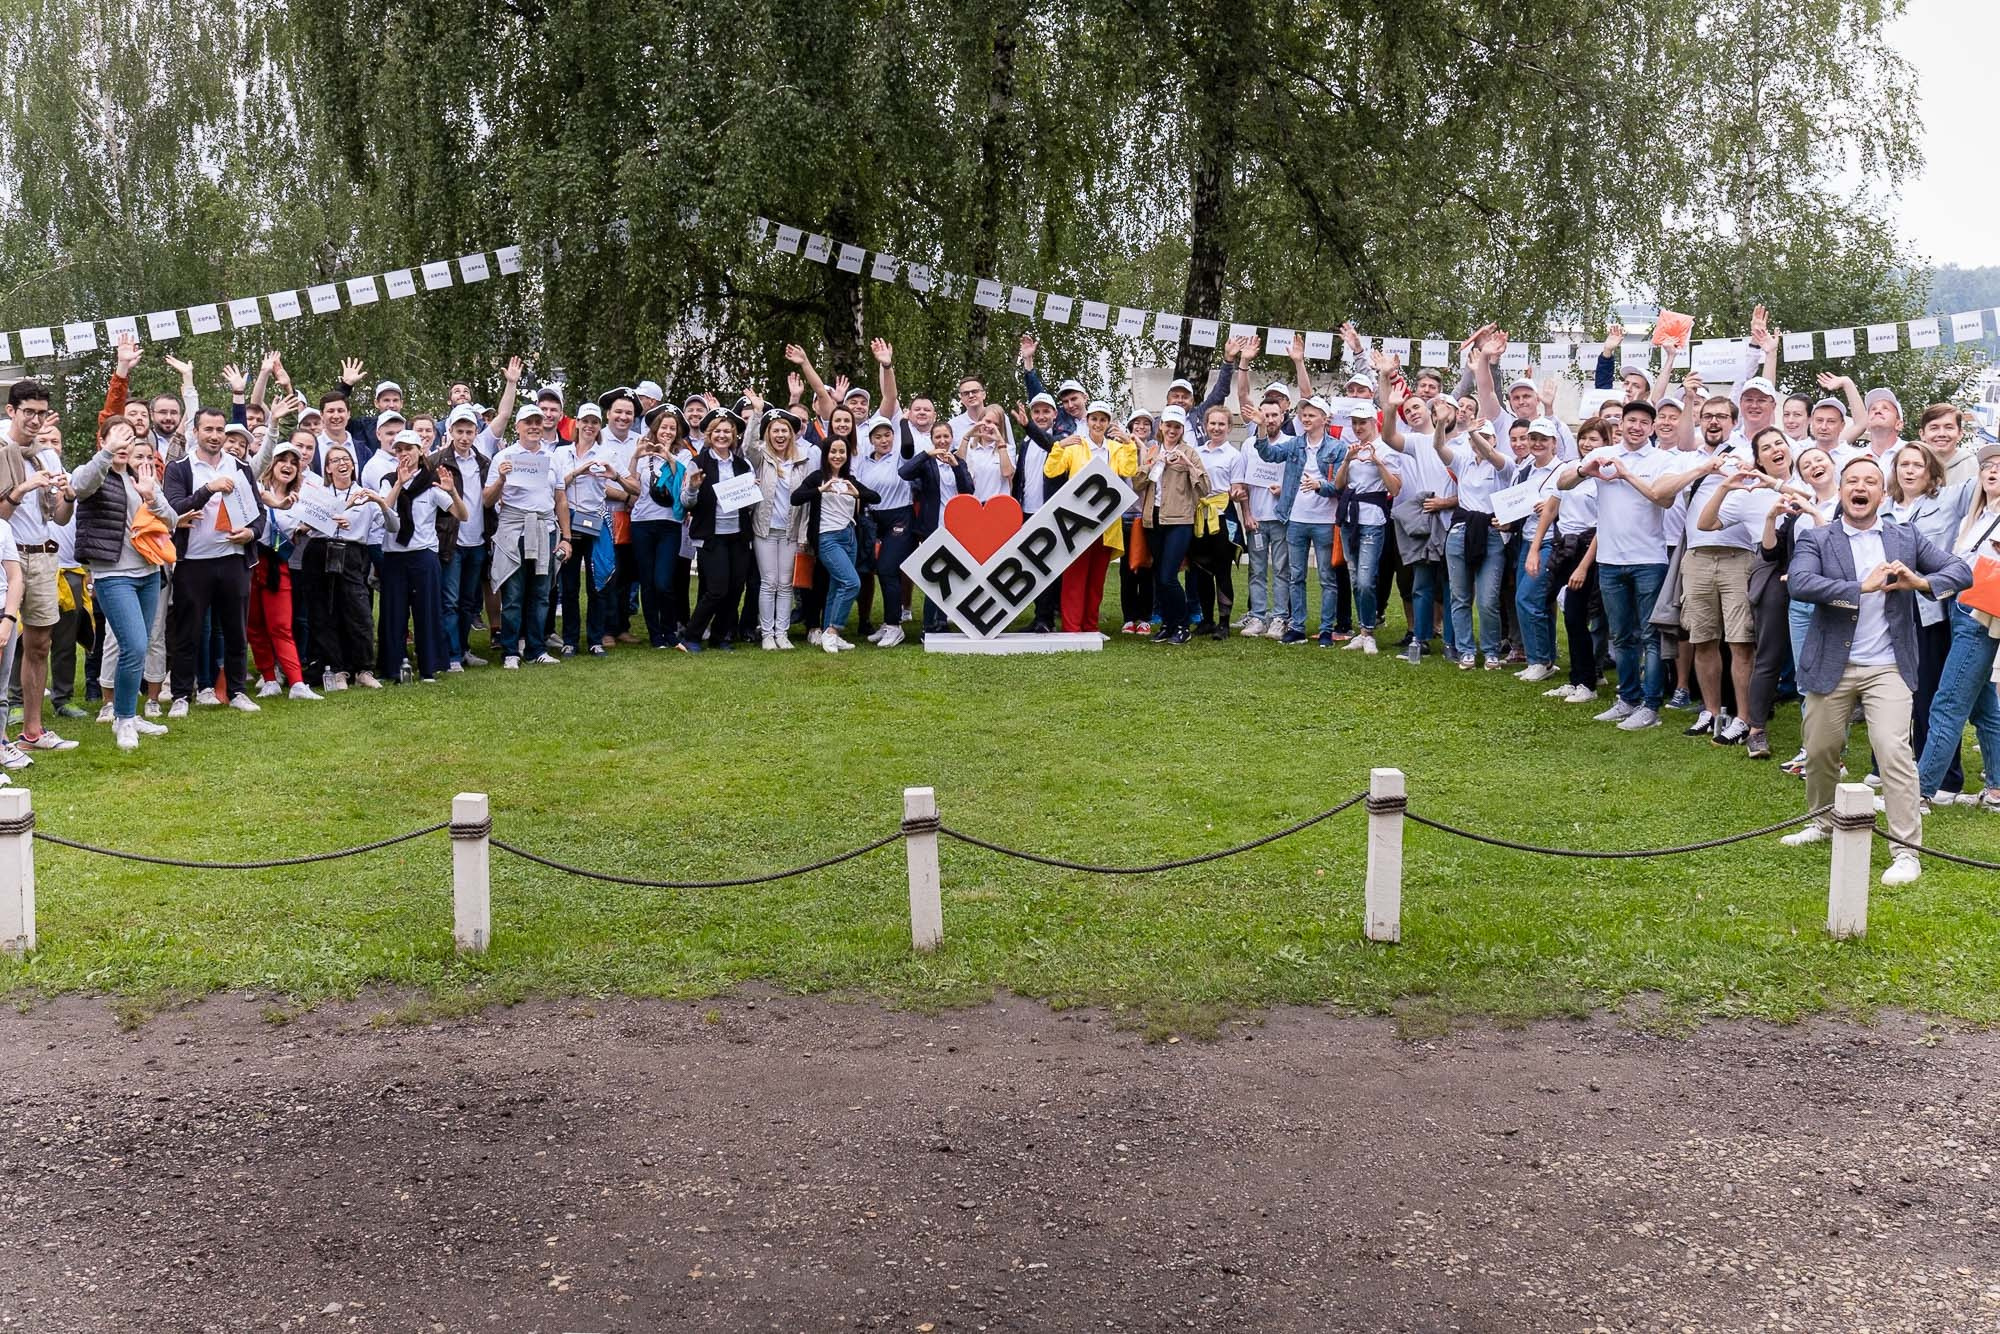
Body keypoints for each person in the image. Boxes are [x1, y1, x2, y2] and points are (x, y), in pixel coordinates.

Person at [1781, 455, 1970, 887]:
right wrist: (1857, 588)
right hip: (1833, 663)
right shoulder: (1817, 537)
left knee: (1893, 751)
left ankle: (1906, 851)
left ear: (1882, 495)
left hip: (1888, 665)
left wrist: (1920, 584)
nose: (1860, 488)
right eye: (1852, 481)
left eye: (1870, 481)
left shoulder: (1904, 537)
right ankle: (1823, 821)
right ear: (1843, 490)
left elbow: (1960, 571)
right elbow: (1801, 582)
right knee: (1822, 748)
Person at [1560, 399, 1676, 730]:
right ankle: (1627, 699)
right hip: (1610, 560)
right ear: (1619, 425)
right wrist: (1586, 469)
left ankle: (1650, 706)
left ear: (1652, 428)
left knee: (1650, 637)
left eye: (1644, 422)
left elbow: (1662, 497)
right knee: (1622, 636)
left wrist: (1626, 475)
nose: (1637, 426)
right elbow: (1563, 482)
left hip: (1648, 560)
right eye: (1631, 420)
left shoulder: (1660, 459)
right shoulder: (1603, 456)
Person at [1697, 428, 1804, 760]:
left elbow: (1809, 501)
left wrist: (1772, 483)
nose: (1775, 450)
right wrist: (1725, 488)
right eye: (1766, 447)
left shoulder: (1808, 478)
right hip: (1773, 567)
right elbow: (1705, 523)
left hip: (1814, 566)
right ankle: (1756, 729)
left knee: (1812, 657)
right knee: (1769, 653)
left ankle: (1816, 735)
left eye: (1779, 443)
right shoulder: (1748, 494)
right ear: (1758, 459)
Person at [70, 424, 177, 752]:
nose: (122, 444)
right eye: (115, 438)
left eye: (128, 439)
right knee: (132, 645)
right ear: (102, 441)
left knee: (140, 647)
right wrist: (105, 454)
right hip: (113, 575)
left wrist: (151, 494)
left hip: (148, 572)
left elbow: (171, 521)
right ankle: (126, 719)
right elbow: (78, 487)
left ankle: (125, 715)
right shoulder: (93, 473)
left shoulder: (140, 478)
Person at [161, 407, 265, 715]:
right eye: (209, 429)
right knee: (187, 632)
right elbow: (174, 508)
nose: (216, 436)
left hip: (233, 559)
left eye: (220, 430)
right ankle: (181, 694)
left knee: (235, 630)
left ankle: (236, 691)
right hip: (193, 561)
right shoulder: (180, 468)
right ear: (196, 432)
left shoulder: (240, 466)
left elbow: (258, 513)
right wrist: (208, 489)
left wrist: (251, 533)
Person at [1913, 442, 2000, 810]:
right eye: (1988, 466)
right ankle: (1996, 789)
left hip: (1980, 614)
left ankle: (1920, 791)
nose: (1993, 470)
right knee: (1984, 708)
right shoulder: (1978, 514)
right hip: (1960, 609)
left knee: (1947, 702)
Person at [1, 379, 79, 752]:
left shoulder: (48, 455)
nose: (35, 420)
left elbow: (61, 519)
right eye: (28, 412)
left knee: (40, 644)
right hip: (6, 558)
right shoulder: (1, 449)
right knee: (1, 643)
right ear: (10, 411)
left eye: (41, 413)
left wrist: (68, 494)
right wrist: (23, 488)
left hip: (46, 555)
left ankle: (32, 732)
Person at [1884, 442, 1965, 798]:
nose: (1910, 470)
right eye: (1904, 464)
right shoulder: (1882, 508)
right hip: (1888, 611)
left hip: (1930, 609)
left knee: (1933, 691)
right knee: (1893, 687)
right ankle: (1887, 764)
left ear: (1932, 471)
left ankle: (1947, 775)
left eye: (1918, 464)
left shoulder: (1946, 501)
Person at [483, 404, 573, 667]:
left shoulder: (552, 458)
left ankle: (536, 649)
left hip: (545, 529)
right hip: (514, 530)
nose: (534, 426)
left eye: (537, 421)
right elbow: (487, 501)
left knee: (541, 593)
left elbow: (560, 498)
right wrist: (501, 479)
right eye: (528, 422)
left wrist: (566, 536)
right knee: (513, 594)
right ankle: (510, 650)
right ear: (518, 426)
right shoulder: (504, 457)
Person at [1041, 402, 1138, 634]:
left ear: (1108, 423)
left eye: (1103, 420)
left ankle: (1090, 627)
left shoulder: (1114, 448)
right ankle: (1072, 628)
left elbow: (1129, 471)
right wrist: (1058, 446)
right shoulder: (1075, 446)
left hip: (1107, 525)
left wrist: (1129, 444)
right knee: (1075, 578)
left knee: (1096, 581)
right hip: (1078, 524)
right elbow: (1051, 471)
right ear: (1087, 421)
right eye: (1094, 419)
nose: (1098, 424)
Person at [1256, 396, 1344, 646]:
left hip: (1325, 521)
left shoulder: (1338, 448)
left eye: (1312, 414)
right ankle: (1297, 626)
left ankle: (1327, 629)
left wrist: (1319, 486)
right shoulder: (1294, 444)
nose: (1306, 418)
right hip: (1295, 519)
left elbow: (1339, 486)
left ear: (1324, 419)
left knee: (1327, 577)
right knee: (1297, 576)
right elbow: (1268, 454)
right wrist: (1262, 427)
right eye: (1304, 414)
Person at [379, 430, 466, 682]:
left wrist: (451, 492)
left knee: (427, 611)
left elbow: (462, 515)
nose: (404, 454)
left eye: (409, 448)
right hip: (394, 555)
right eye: (399, 449)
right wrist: (398, 482)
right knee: (393, 613)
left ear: (420, 451)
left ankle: (430, 666)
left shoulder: (432, 483)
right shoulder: (387, 479)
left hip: (423, 555)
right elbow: (385, 508)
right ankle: (393, 667)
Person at [306, 443, 389, 689]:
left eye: (346, 459)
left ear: (354, 465)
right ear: (328, 468)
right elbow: (306, 523)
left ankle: (363, 668)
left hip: (353, 552)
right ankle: (337, 669)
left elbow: (388, 520)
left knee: (358, 610)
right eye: (335, 461)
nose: (342, 464)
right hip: (321, 550)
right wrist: (337, 513)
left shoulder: (365, 494)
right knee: (325, 612)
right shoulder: (317, 492)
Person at [1132, 405, 1215, 644]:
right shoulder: (1152, 450)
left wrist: (1188, 464)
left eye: (1177, 426)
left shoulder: (1190, 452)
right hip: (1153, 519)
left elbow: (1205, 487)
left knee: (1169, 576)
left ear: (1182, 429)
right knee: (1160, 575)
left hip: (1180, 520)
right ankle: (1168, 624)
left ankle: (1182, 624)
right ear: (1161, 426)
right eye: (1168, 425)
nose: (1172, 430)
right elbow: (1137, 482)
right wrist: (1153, 463)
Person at [741, 392, 817, 651]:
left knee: (785, 583)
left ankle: (781, 633)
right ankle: (767, 633)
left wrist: (804, 534)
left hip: (790, 530)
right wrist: (758, 412)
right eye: (775, 430)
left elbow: (805, 503)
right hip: (764, 529)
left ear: (792, 434)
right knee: (768, 581)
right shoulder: (761, 458)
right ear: (768, 433)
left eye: (785, 430)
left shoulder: (802, 461)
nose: (780, 435)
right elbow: (748, 446)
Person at [792, 433, 881, 652]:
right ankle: (832, 631)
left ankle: (830, 633)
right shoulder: (817, 477)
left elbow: (875, 497)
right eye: (833, 451)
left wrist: (857, 493)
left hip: (849, 537)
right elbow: (796, 497)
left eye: (842, 451)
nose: (838, 455)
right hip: (827, 537)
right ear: (826, 454)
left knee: (837, 585)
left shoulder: (850, 479)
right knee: (852, 582)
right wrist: (821, 490)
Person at [678, 406, 755, 652]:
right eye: (718, 431)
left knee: (735, 589)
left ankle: (721, 636)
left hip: (738, 535)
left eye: (727, 432)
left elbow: (750, 505)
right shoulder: (697, 463)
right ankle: (691, 635)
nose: (722, 436)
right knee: (716, 589)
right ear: (710, 435)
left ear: (734, 437)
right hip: (711, 536)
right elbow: (685, 503)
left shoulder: (744, 466)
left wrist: (754, 490)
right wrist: (692, 488)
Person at [249, 441, 321, 699]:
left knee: (281, 624)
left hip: (278, 565)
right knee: (254, 624)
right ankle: (268, 678)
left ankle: (297, 683)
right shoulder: (257, 487)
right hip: (251, 561)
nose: (288, 466)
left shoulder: (303, 499)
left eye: (294, 462)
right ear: (272, 463)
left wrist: (305, 528)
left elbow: (311, 524)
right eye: (283, 460)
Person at [1441, 418, 1512, 669]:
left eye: (1485, 436)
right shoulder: (1463, 461)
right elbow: (1439, 448)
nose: (1479, 442)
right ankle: (1466, 650)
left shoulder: (1503, 464)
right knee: (1459, 596)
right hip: (1460, 531)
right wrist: (1440, 423)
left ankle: (1491, 650)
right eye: (1474, 438)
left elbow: (1491, 454)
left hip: (1491, 533)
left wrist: (1473, 431)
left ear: (1494, 439)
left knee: (1487, 599)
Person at [897, 417, 974, 641]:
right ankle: (928, 625)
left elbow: (968, 490)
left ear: (952, 439)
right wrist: (925, 455)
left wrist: (956, 466)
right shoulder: (927, 463)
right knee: (934, 576)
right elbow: (904, 473)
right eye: (937, 437)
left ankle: (943, 621)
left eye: (945, 436)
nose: (942, 440)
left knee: (949, 576)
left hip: (955, 528)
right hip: (932, 527)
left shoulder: (959, 461)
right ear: (932, 440)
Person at [431, 405, 491, 669]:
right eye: (459, 431)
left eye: (469, 431)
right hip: (451, 541)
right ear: (450, 431)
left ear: (476, 433)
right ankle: (451, 654)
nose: (464, 436)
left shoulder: (484, 463)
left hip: (478, 540)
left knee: (468, 601)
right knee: (450, 601)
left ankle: (464, 648)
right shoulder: (437, 461)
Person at [629, 405, 688, 649]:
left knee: (664, 581)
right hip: (642, 522)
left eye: (672, 428)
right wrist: (635, 456)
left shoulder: (682, 455)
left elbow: (682, 480)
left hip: (670, 525)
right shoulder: (643, 453)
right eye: (664, 427)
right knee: (648, 581)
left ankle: (669, 630)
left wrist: (667, 455)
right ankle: (655, 635)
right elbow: (630, 482)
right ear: (655, 429)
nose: (667, 431)